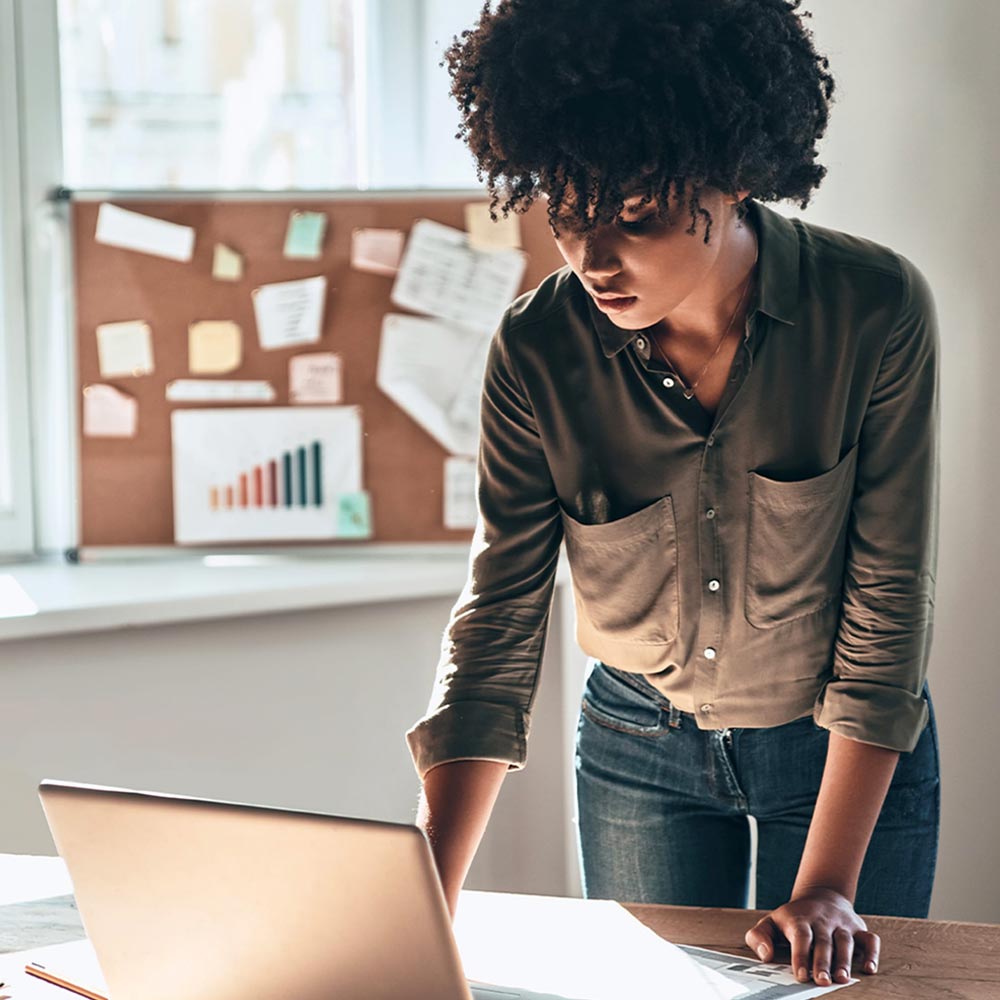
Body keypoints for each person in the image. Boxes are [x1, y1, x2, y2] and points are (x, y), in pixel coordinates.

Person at [406, 0, 941, 990]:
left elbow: (886, 609)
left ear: (734, 178)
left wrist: (825, 884)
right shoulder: (535, 350)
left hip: (832, 746)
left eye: (635, 220)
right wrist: (419, 899)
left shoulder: (873, 310)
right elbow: (498, 622)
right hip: (633, 749)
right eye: (566, 219)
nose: (591, 260)